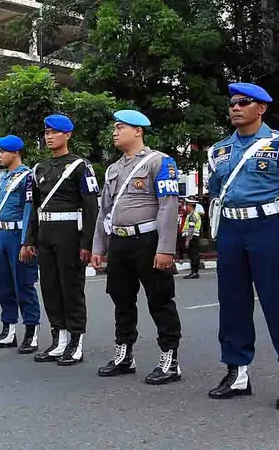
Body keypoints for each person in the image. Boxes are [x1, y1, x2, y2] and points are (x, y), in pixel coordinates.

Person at [206, 82, 279, 410]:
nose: (235, 108)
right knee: (232, 303)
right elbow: (216, 189)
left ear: (262, 108)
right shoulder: (219, 151)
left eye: (244, 102)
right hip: (230, 228)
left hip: (269, 228)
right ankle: (237, 371)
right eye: (232, 103)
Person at [92, 109, 183, 383]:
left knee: (159, 299)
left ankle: (170, 359)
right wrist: (99, 246)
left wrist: (166, 248)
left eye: (120, 127)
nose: (115, 132)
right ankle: (124, 354)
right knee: (121, 298)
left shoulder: (160, 162)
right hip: (119, 240)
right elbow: (104, 210)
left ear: (138, 131)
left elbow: (169, 205)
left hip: (148, 240)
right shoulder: (113, 169)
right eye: (115, 128)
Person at [24, 114, 99, 365]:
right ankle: (59, 339)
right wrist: (30, 240)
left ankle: (76, 341)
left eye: (54, 132)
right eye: (46, 132)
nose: (49, 137)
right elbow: (35, 208)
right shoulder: (40, 168)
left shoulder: (80, 166)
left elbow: (91, 207)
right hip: (46, 233)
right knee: (50, 288)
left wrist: (87, 243)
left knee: (71, 287)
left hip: (69, 233)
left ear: (67, 135)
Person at [0, 134, 41, 353]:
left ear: (15, 153)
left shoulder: (26, 177)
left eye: (2, 152)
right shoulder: (4, 178)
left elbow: (29, 210)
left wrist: (28, 242)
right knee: (4, 285)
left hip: (19, 236)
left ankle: (31, 332)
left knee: (24, 285)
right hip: (3, 237)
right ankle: (8, 330)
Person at [180, 199, 203, 278]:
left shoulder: (192, 216)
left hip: (192, 237)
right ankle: (194, 272)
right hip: (194, 237)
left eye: (187, 205)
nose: (186, 207)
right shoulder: (195, 214)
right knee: (194, 255)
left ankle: (194, 272)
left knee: (193, 255)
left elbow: (191, 228)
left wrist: (187, 240)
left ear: (190, 206)